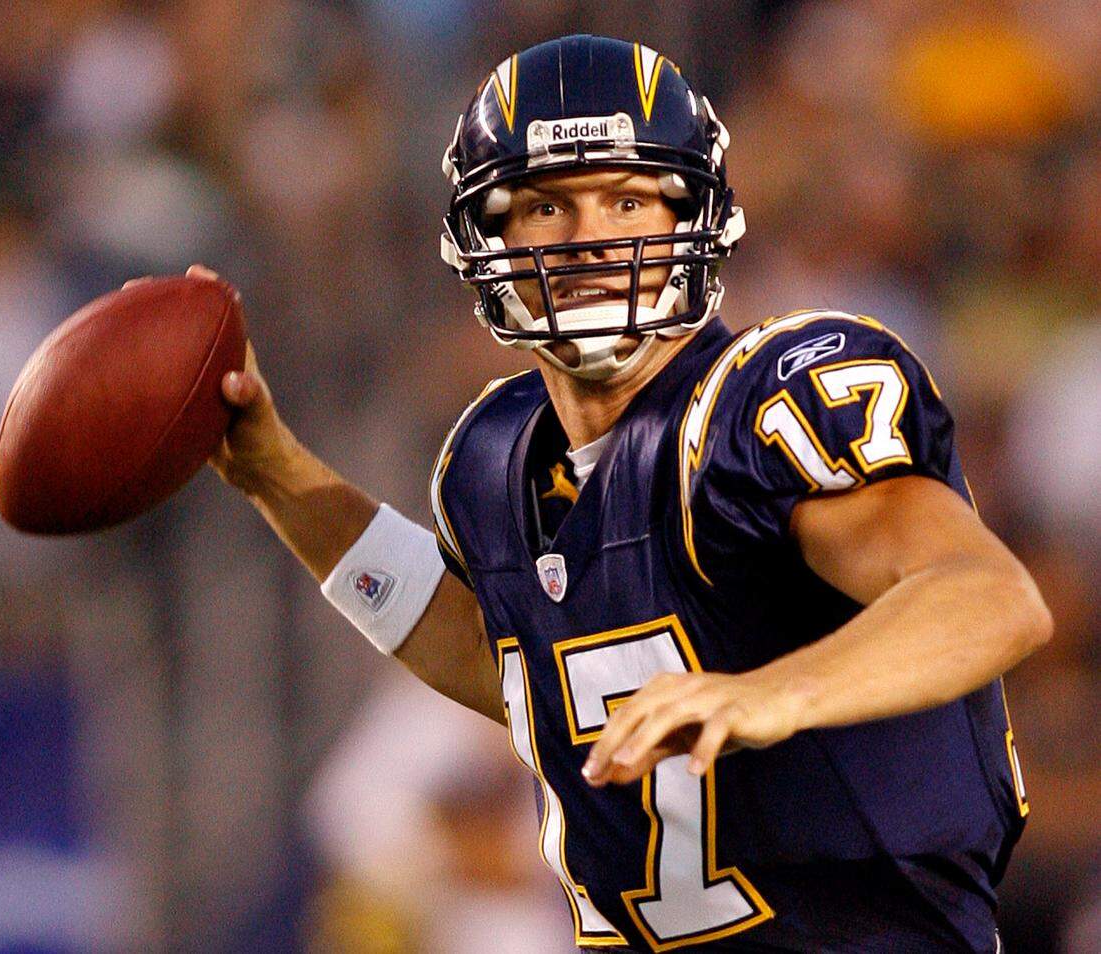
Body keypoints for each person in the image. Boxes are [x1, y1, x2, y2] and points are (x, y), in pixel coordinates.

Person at [203, 35, 1051, 953]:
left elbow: (987, 597)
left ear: (695, 217)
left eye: (628, 199)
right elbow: (520, 671)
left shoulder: (766, 401)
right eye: (545, 207)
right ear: (488, 236)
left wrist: (770, 695)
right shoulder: (494, 460)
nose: (589, 239)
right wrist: (277, 474)